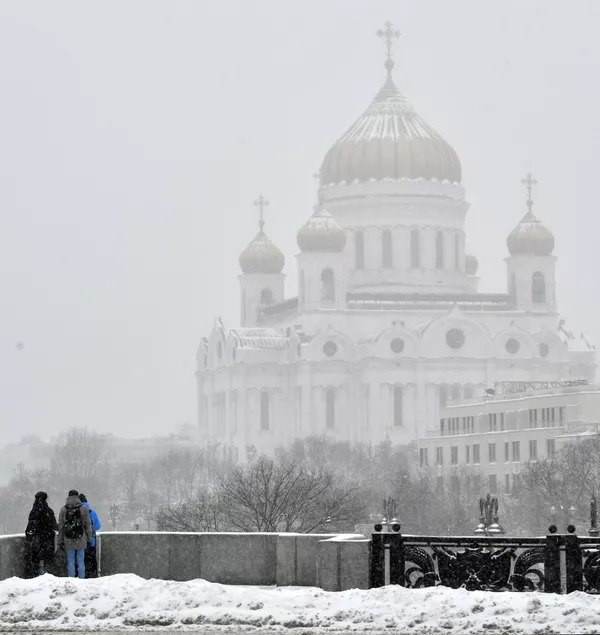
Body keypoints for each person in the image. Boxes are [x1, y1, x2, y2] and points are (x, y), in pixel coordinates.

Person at [57, 489, 93, 579]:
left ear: (68, 497)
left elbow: (60, 527)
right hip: (81, 538)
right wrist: (89, 539)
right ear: (77, 497)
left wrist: (60, 541)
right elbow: (88, 525)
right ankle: (81, 578)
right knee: (81, 560)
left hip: (68, 539)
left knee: (70, 560)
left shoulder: (63, 509)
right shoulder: (84, 509)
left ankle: (71, 579)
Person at [25, 491, 58, 576]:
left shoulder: (33, 511)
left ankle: (37, 577)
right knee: (48, 561)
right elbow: (54, 526)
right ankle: (47, 576)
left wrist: (29, 536)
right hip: (47, 539)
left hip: (37, 539)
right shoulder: (48, 511)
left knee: (36, 560)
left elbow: (30, 526)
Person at [78, 493, 101, 577]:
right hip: (91, 542)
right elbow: (98, 526)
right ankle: (93, 577)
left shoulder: (77, 511)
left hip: (79, 541)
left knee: (81, 561)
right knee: (91, 561)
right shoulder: (92, 512)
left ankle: (81, 577)